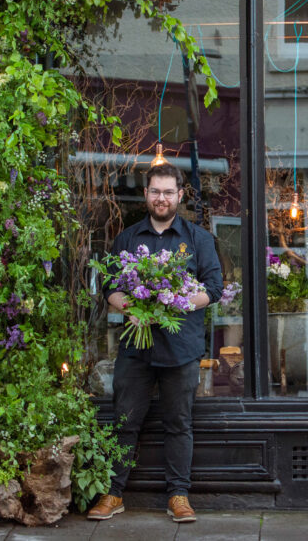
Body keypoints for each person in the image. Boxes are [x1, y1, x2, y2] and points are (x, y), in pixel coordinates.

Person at [87, 163, 223, 524]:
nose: (161, 198)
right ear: (146, 194)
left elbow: (213, 289)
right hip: (137, 350)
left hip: (181, 349)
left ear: (180, 195)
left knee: (178, 423)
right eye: (155, 192)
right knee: (125, 421)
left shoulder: (198, 239)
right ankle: (113, 493)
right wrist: (132, 307)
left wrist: (174, 301)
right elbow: (110, 287)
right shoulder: (128, 239)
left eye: (168, 192)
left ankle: (178, 495)